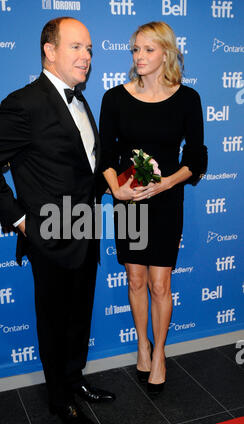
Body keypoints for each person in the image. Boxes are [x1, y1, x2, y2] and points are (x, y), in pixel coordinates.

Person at [0, 17, 115, 424]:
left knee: (78, 316)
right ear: (49, 51)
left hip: (85, 228)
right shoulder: (26, 103)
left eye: (89, 49)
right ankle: (59, 400)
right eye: (76, 47)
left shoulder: (82, 100)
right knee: (53, 321)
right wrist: (19, 220)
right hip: (50, 235)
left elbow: (84, 167)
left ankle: (74, 380)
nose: (86, 56)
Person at [99, 21, 207, 395]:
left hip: (166, 201)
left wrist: (165, 183)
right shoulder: (114, 98)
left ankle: (159, 352)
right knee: (135, 279)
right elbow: (106, 154)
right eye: (135, 50)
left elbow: (195, 158)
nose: (139, 57)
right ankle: (141, 345)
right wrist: (117, 190)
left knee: (161, 284)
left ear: (167, 52)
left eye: (147, 49)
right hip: (128, 202)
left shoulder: (187, 99)